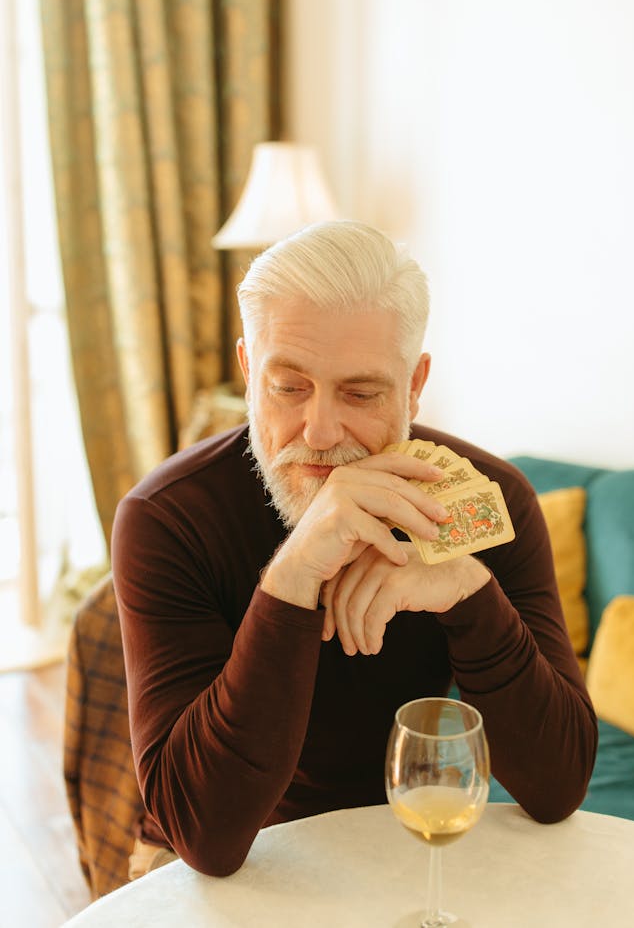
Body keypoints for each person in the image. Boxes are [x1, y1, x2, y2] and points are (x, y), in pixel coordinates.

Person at [112, 220, 597, 878]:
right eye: (288, 386)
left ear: (415, 382)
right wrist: (293, 574)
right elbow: (205, 834)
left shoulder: (494, 501)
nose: (319, 430)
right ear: (249, 368)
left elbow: (558, 786)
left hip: (398, 836)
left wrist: (468, 590)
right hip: (221, 852)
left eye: (361, 392)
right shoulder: (167, 518)